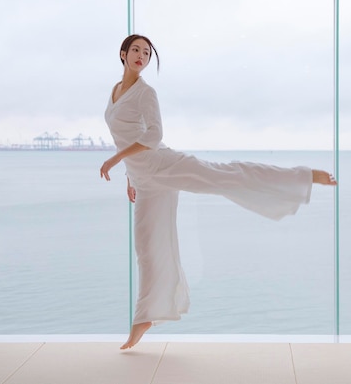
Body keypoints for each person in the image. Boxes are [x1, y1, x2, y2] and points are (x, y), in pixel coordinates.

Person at [100, 34, 337, 350]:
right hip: (143, 179)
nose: (142, 56)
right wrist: (130, 175)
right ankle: (145, 317)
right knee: (147, 249)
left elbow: (154, 135)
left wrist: (117, 160)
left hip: (163, 165)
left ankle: (305, 177)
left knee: (226, 175)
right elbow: (126, 137)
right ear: (123, 54)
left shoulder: (146, 93)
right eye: (136, 50)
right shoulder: (115, 93)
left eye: (147, 52)